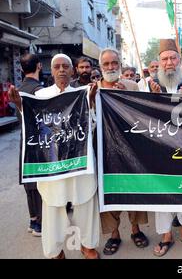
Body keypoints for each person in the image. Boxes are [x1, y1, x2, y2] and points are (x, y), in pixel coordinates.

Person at [9, 54, 100, 259]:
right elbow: (33, 126)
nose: (61, 70)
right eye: (57, 66)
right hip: (52, 163)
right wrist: (20, 106)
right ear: (51, 70)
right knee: (53, 206)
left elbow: (92, 126)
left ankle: (87, 245)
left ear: (72, 70)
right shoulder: (41, 96)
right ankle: (55, 250)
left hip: (79, 161)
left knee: (85, 202)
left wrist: (91, 103)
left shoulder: (82, 93)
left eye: (65, 66)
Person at [149, 39, 182, 257]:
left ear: (179, 60)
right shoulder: (148, 84)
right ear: (159, 62)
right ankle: (166, 235)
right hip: (159, 148)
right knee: (162, 191)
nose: (169, 62)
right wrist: (153, 98)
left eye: (173, 58)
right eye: (164, 59)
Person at [95, 48, 148, 256]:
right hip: (105, 152)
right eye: (106, 64)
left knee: (134, 190)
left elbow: (143, 117)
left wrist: (123, 95)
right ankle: (114, 234)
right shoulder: (92, 90)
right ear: (100, 67)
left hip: (131, 150)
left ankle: (136, 230)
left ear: (120, 64)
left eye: (114, 63)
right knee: (109, 193)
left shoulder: (132, 86)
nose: (110, 67)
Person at [17, 54, 44, 237]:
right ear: (40, 66)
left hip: (24, 141)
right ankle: (40, 224)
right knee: (40, 183)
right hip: (39, 143)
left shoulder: (18, 89)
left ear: (21, 69)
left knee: (29, 183)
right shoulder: (39, 91)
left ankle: (33, 219)